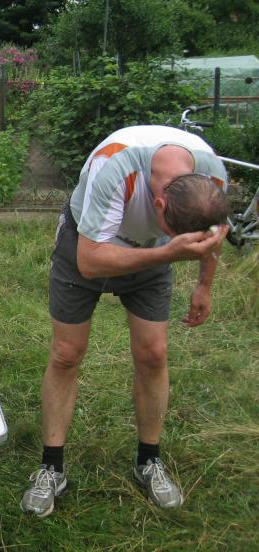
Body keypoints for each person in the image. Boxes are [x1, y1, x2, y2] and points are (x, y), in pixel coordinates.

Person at [20, 125, 229, 518]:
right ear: (159, 204)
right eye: (174, 235)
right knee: (66, 353)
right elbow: (90, 261)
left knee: (154, 354)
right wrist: (167, 253)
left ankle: (148, 460)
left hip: (152, 254)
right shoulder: (114, 166)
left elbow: (215, 233)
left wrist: (204, 284)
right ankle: (51, 468)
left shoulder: (212, 177)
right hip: (87, 246)